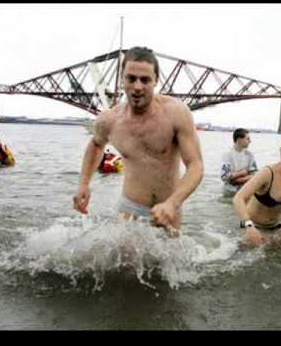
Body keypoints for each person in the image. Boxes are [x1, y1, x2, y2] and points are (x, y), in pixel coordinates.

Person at [73, 46, 204, 236]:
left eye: (145, 80)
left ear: (156, 81)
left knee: (166, 264)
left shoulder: (176, 113)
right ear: (122, 80)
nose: (137, 87)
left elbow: (196, 166)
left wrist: (172, 203)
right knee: (123, 265)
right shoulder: (109, 120)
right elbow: (96, 145)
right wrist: (84, 184)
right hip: (130, 208)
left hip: (169, 209)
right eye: (131, 78)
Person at [220, 128, 258, 196]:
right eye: (247, 139)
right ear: (239, 140)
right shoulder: (227, 154)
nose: (250, 141)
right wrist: (243, 172)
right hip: (230, 192)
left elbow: (255, 174)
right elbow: (224, 176)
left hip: (245, 191)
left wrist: (239, 179)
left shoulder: (250, 154)